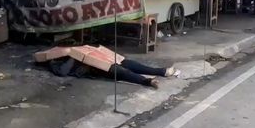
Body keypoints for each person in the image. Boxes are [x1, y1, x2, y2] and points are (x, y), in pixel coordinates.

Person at [48, 56, 177, 89]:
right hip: (95, 69)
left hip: (100, 62)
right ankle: (147, 81)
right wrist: (73, 56)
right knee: (121, 71)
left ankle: (162, 71)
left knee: (128, 63)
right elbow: (62, 72)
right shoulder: (56, 62)